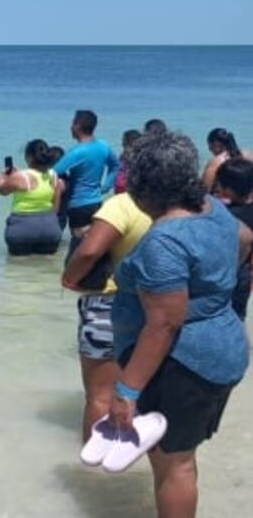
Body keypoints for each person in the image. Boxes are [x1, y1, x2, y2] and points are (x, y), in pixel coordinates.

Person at [109, 131, 251, 518]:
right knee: (181, 455)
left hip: (184, 363)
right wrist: (213, 291)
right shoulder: (211, 207)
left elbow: (164, 325)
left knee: (174, 464)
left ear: (142, 188)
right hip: (222, 345)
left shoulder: (165, 241)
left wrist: (125, 390)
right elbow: (245, 238)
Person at [61, 192, 151, 442]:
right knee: (145, 392)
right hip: (157, 307)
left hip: (109, 302)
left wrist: (68, 278)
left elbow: (88, 253)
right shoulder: (185, 208)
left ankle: (93, 471)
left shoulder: (123, 204)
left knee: (100, 395)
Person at [52, 110, 119, 237]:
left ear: (78, 126)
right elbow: (115, 166)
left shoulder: (76, 152)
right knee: (93, 243)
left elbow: (53, 172)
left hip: (78, 205)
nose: (70, 127)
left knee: (78, 246)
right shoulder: (104, 146)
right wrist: (106, 186)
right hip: (97, 202)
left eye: (72, 123)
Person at [0, 139, 65, 255]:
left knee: (18, 267)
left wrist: (2, 176)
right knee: (47, 267)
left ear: (29, 157)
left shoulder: (22, 176)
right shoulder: (53, 174)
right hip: (50, 227)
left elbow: (2, 190)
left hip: (22, 229)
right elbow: (56, 206)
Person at [214, 158, 253, 320]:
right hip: (244, 274)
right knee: (238, 316)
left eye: (219, 185)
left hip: (223, 273)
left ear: (228, 190)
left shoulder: (223, 215)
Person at [49, 145, 71, 231]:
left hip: (55, 220)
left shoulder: (58, 183)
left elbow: (56, 208)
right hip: (61, 220)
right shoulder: (67, 178)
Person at [113, 129, 141, 195]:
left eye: (123, 141)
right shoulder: (124, 155)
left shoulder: (125, 155)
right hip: (125, 189)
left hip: (125, 189)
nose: (122, 143)